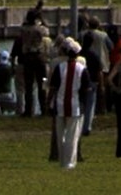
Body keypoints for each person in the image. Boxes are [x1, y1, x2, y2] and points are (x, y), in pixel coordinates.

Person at [49, 44, 86, 173]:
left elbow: (53, 87)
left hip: (59, 104)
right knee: (72, 135)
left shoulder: (60, 67)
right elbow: (86, 89)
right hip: (75, 105)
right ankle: (70, 162)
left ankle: (63, 160)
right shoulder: (82, 69)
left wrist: (49, 102)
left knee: (61, 135)